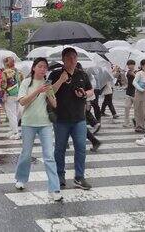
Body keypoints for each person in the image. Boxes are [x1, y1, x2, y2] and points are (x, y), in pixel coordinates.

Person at [14, 57, 63, 201]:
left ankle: (54, 188)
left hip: (45, 123)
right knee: (26, 153)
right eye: (40, 66)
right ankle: (21, 179)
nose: (43, 69)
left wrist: (49, 93)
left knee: (49, 156)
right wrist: (37, 91)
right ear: (34, 68)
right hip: (28, 122)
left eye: (45, 67)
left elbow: (54, 104)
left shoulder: (48, 84)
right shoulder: (26, 83)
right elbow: (22, 102)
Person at [49, 47, 94, 190]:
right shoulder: (55, 74)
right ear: (63, 59)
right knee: (60, 148)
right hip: (61, 118)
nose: (72, 60)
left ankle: (79, 177)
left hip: (79, 119)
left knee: (81, 147)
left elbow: (91, 90)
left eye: (74, 57)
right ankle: (59, 176)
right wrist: (61, 80)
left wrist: (84, 93)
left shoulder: (82, 74)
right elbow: (49, 92)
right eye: (68, 57)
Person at [0, 56, 23, 139]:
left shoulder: (5, 72)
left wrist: (2, 92)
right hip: (18, 93)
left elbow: (3, 84)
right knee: (16, 113)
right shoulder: (19, 71)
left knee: (11, 113)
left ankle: (16, 132)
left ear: (6, 63)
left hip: (9, 94)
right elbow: (22, 82)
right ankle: (13, 130)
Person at [132, 60, 145, 133]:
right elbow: (134, 82)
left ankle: (136, 120)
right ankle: (140, 127)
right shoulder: (139, 73)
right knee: (140, 111)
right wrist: (140, 89)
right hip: (140, 93)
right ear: (142, 66)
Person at [122, 60, 137, 128]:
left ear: (133, 65)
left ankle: (136, 120)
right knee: (126, 108)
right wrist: (122, 75)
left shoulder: (137, 71)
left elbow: (139, 80)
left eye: (130, 65)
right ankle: (126, 122)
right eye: (128, 65)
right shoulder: (127, 72)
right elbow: (125, 82)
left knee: (136, 109)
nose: (129, 66)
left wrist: (133, 74)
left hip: (135, 92)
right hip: (128, 92)